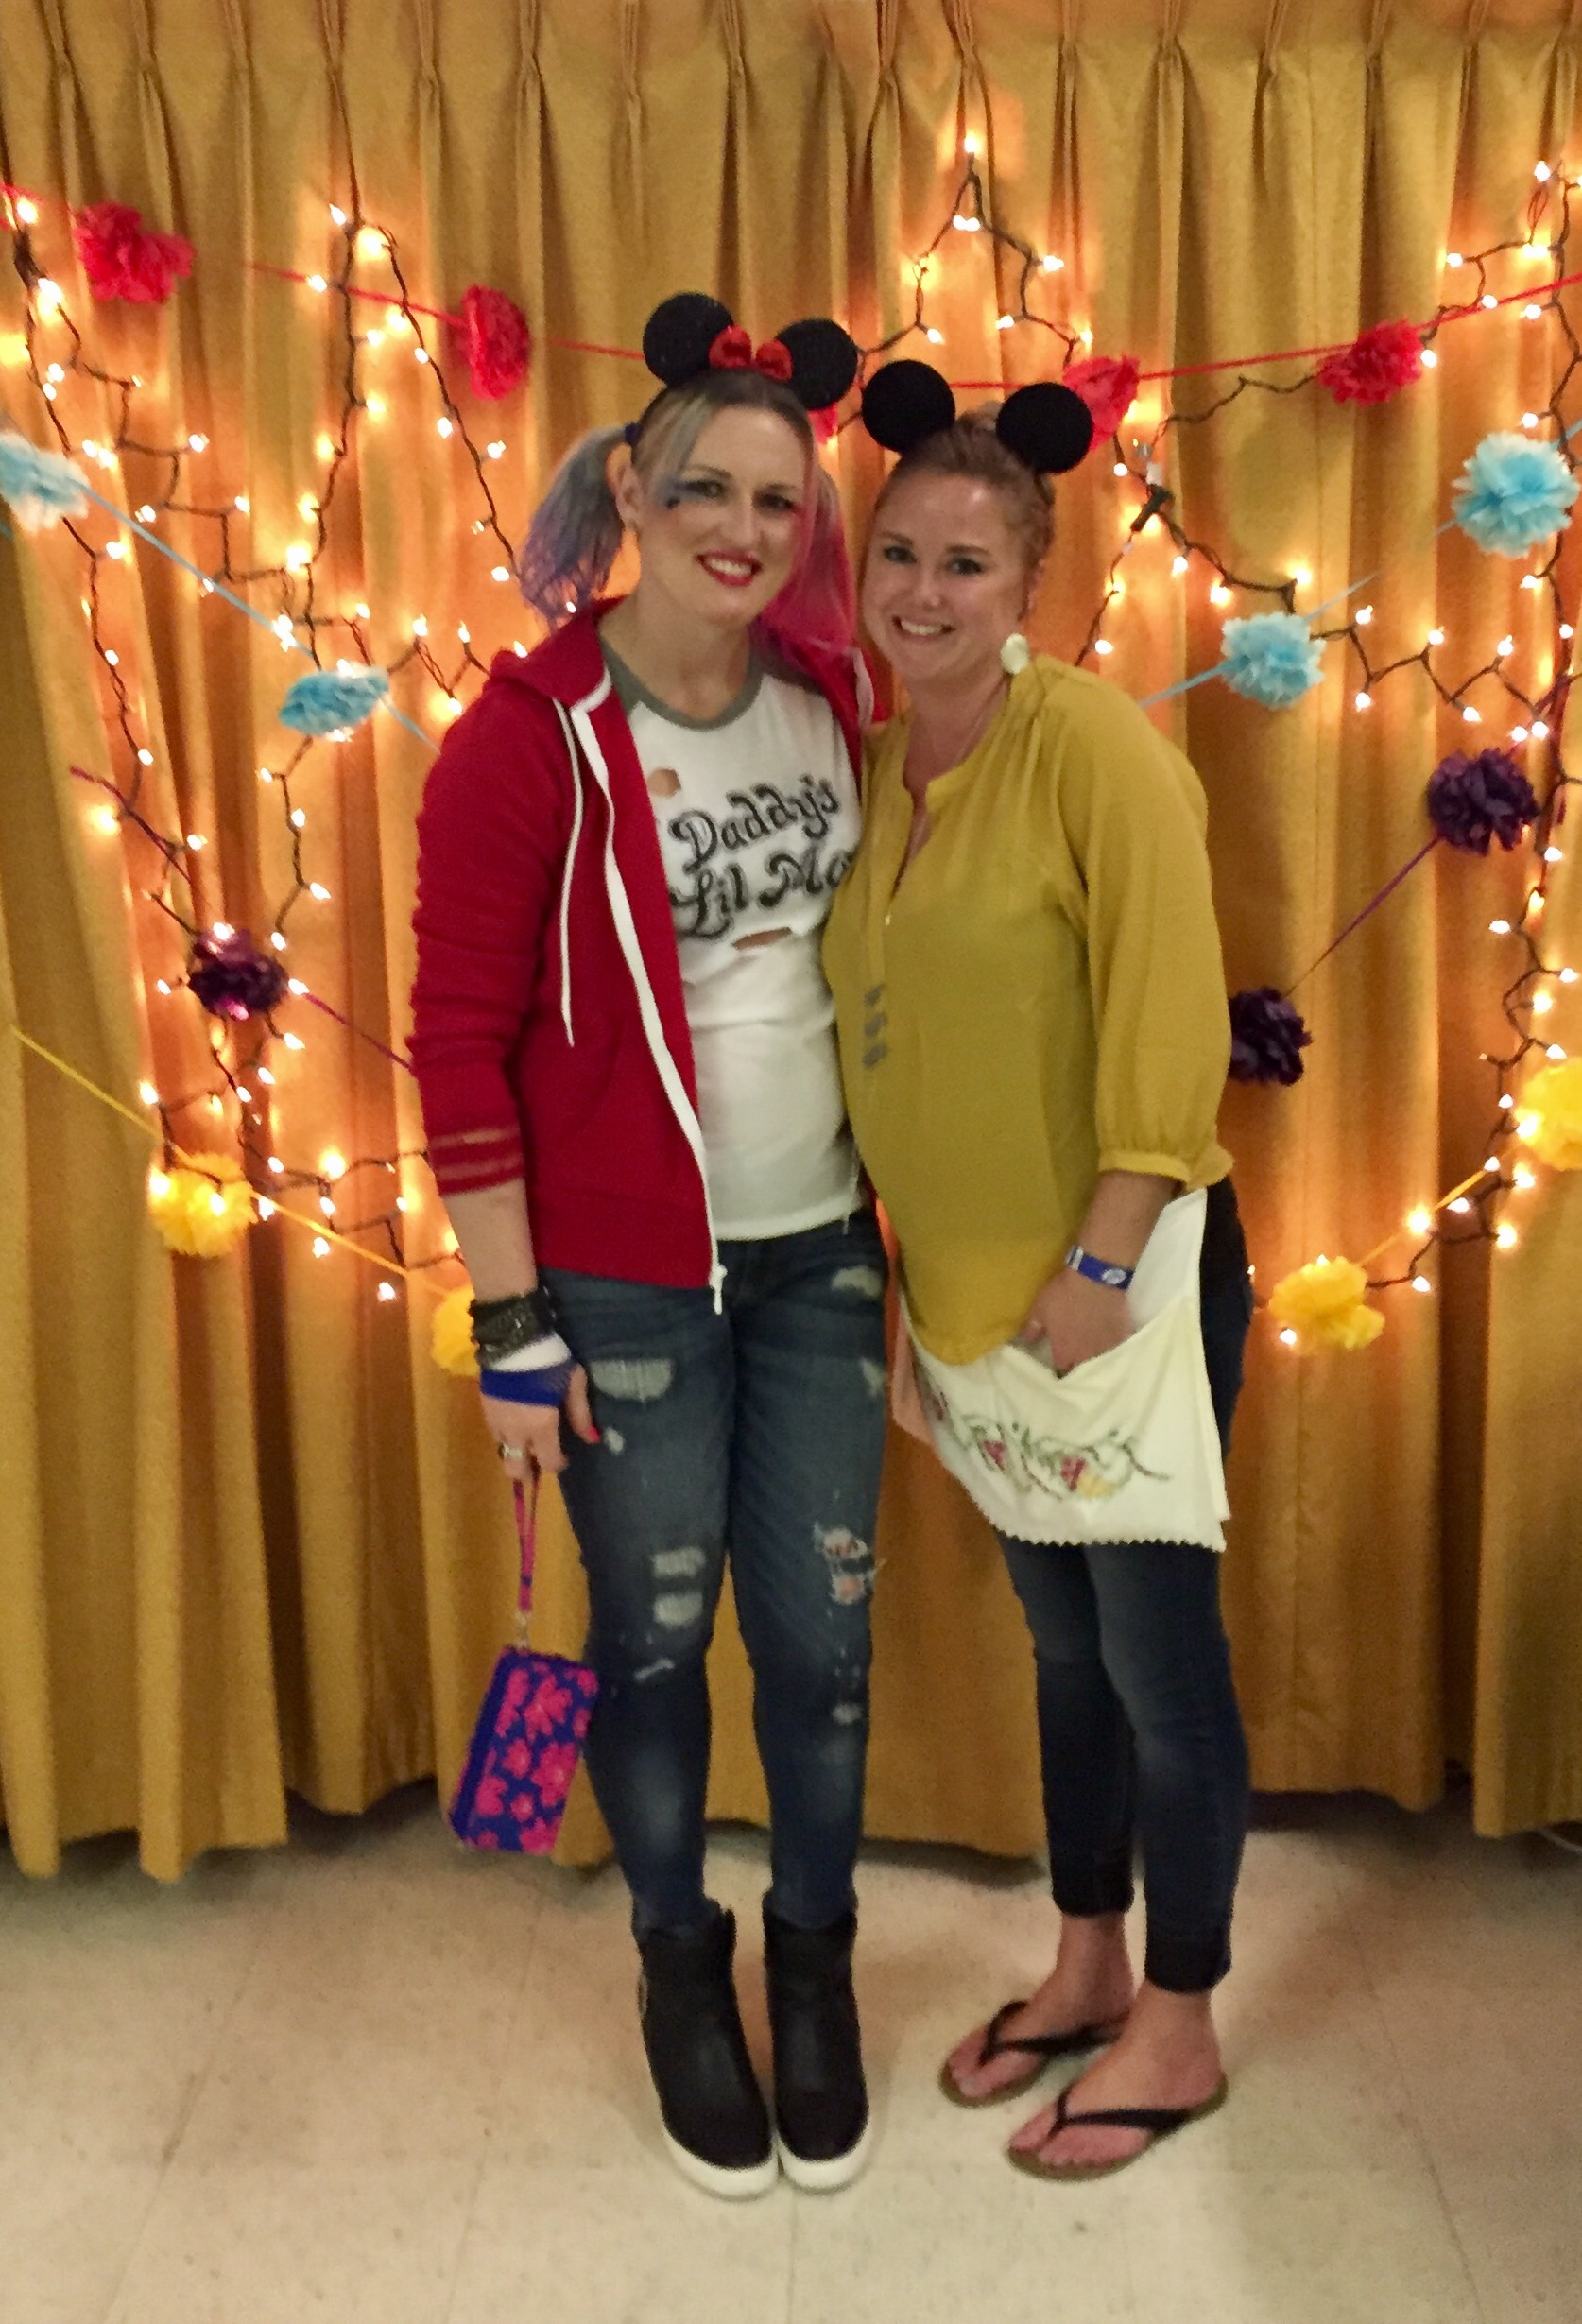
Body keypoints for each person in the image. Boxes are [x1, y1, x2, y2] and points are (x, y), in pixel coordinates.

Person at [410, 295, 889, 2200]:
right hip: (621, 1290)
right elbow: (457, 1041)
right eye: (707, 489)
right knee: (657, 1642)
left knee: (826, 1651)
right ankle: (681, 1971)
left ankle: (815, 1972)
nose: (743, 531)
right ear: (631, 485)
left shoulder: (831, 699)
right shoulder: (528, 739)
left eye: (779, 501)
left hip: (822, 1255)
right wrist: (511, 1324)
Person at [823, 361, 1255, 2182]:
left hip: (1114, 1293)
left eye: (965, 564)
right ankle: (1087, 1962)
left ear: (1028, 586)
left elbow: (1168, 1018)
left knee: (1157, 1670)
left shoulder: (1091, 750)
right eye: (898, 555)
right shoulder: (868, 771)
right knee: (1062, 1661)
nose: (922, 591)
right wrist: (909, 1291)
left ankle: (1183, 2017)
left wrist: (1096, 1264)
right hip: (971, 1314)